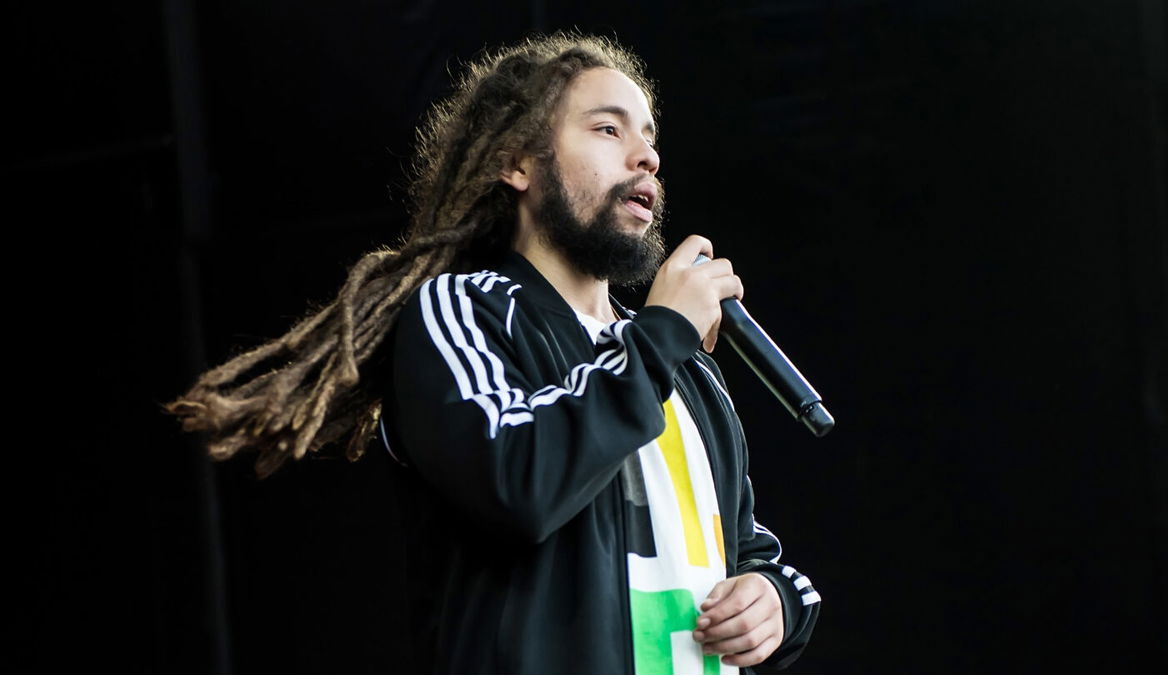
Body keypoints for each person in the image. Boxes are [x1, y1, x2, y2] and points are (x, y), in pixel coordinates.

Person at [170, 33, 818, 674]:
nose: (646, 156)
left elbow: (746, 550)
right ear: (518, 163)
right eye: (608, 129)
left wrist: (776, 599)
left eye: (649, 137)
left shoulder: (685, 366)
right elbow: (516, 482)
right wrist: (662, 335)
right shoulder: (463, 312)